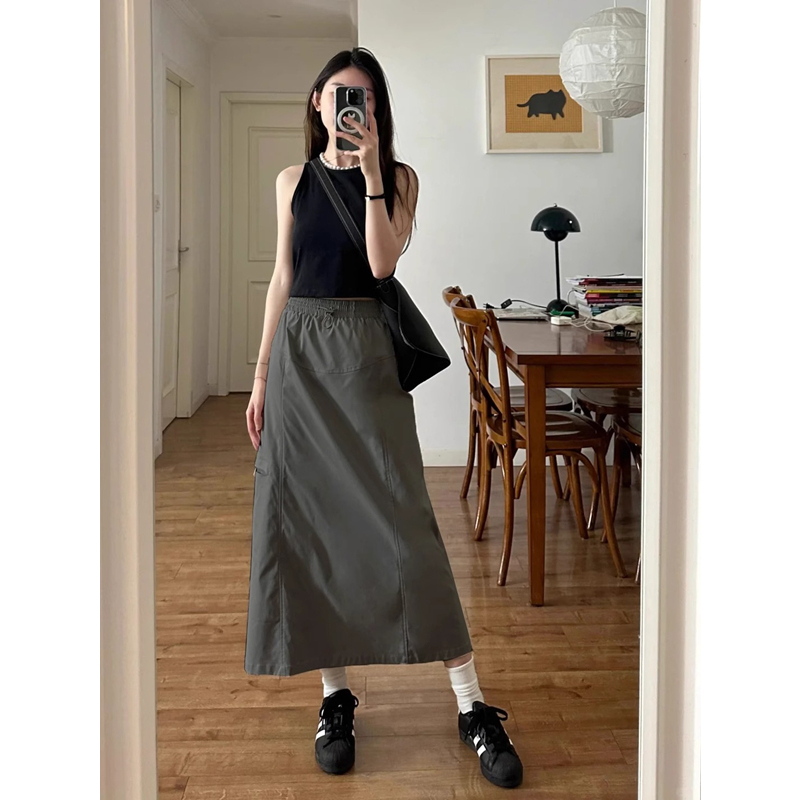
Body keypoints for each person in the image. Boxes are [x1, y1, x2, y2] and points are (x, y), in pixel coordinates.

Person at [243, 47, 522, 789]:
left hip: (364, 359)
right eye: (340, 94)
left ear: (376, 109)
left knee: (407, 528)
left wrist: (370, 174)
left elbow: (381, 266)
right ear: (317, 102)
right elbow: (282, 276)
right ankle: (335, 697)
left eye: (362, 97)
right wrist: (261, 375)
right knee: (309, 526)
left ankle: (471, 704)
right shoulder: (291, 180)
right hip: (300, 360)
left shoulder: (398, 178)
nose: (350, 107)